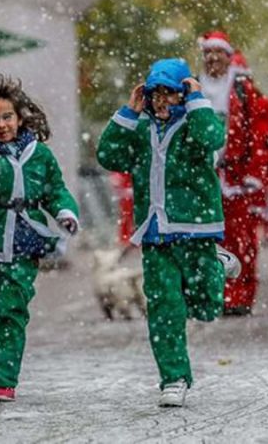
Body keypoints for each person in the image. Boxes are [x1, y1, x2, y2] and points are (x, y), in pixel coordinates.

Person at [96, 58, 234, 408]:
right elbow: (108, 155)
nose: (161, 101)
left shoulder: (195, 123)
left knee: (206, 305)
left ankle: (217, 264)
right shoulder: (140, 129)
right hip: (155, 234)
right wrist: (128, 112)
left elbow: (213, 138)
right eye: (155, 93)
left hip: (197, 229)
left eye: (169, 94)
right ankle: (173, 378)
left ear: (183, 93)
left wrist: (196, 100)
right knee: (164, 307)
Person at [0, 74, 79, 403]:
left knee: (12, 309)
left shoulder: (40, 155)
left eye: (7, 116)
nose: (1, 124)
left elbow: (56, 191)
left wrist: (65, 212)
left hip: (26, 240)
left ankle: (4, 383)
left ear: (20, 117)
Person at [198, 31, 268, 315]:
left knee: (240, 239)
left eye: (218, 53)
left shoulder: (243, 91)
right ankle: (212, 294)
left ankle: (238, 297)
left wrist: (254, 171)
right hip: (202, 179)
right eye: (207, 53)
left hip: (236, 179)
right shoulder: (193, 88)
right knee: (204, 239)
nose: (212, 59)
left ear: (228, 56)